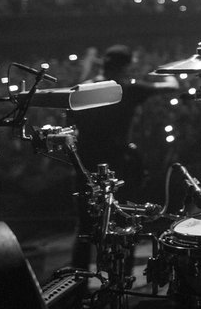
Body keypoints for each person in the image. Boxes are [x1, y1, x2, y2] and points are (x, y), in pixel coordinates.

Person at [66, 44, 178, 269]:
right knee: (125, 221)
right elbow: (172, 85)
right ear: (126, 66)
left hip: (86, 163)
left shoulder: (82, 88)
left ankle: (77, 286)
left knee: (86, 227)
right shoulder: (127, 89)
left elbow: (69, 126)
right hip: (119, 163)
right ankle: (122, 278)